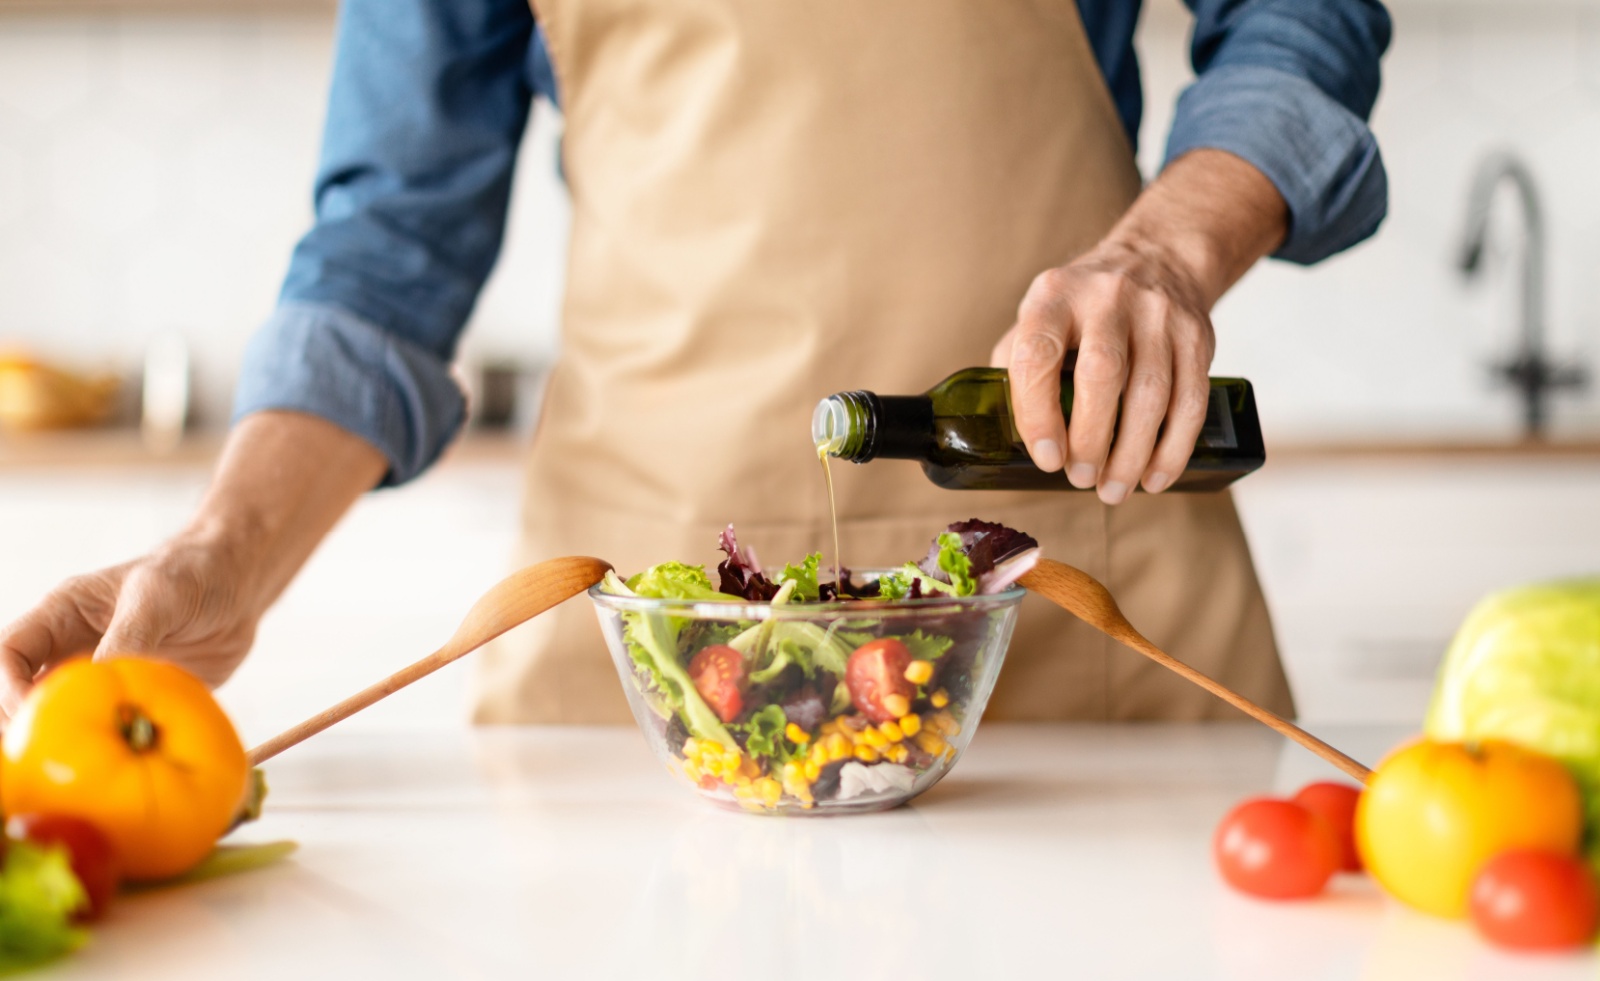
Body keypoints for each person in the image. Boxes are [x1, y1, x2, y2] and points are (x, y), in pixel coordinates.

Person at [0, 1, 1391, 726]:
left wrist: (1163, 253)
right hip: (651, 659)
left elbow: (1302, 13)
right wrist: (219, 559)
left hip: (1080, 596)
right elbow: (386, 247)